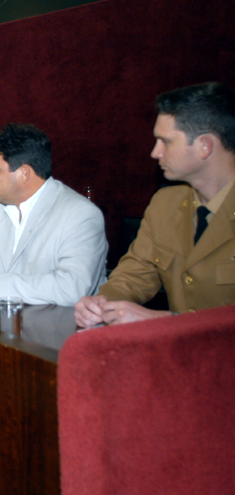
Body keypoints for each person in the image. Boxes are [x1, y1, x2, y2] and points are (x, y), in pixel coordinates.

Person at [75, 82, 235, 326]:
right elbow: (134, 275)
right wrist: (100, 303)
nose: (155, 152)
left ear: (205, 146)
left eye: (166, 142)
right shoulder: (165, 203)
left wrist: (166, 321)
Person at [0, 123, 108, 306]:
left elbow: (72, 287)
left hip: (62, 330)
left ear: (24, 174)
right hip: (0, 327)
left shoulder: (79, 214)